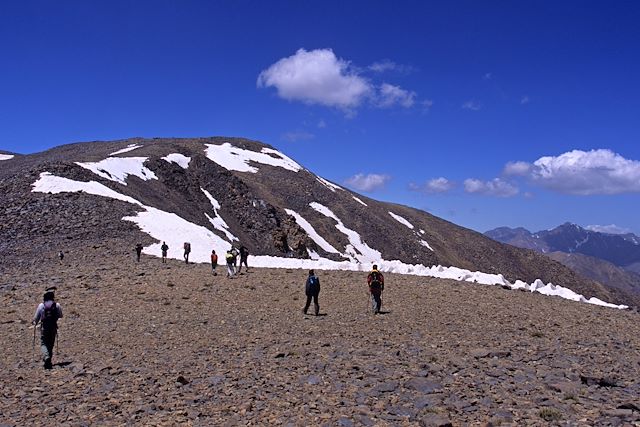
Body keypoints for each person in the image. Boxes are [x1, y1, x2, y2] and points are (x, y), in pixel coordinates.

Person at [32, 287, 63, 369]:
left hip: (44, 327)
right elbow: (60, 315)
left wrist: (34, 322)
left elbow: (36, 318)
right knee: (51, 343)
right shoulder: (57, 305)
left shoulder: (41, 305)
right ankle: (48, 359)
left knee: (44, 343)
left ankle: (46, 357)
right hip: (53, 326)